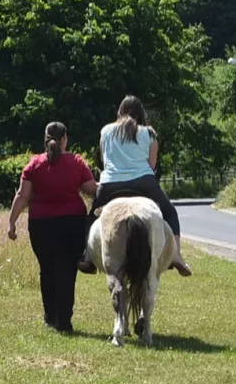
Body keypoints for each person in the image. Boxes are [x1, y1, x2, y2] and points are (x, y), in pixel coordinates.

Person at [81, 95, 192, 276]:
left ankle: (87, 257)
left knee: (91, 217)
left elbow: (104, 159)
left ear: (120, 112)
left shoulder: (106, 131)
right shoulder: (149, 133)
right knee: (170, 212)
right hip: (143, 181)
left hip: (111, 183)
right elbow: (152, 165)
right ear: (140, 113)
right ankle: (176, 256)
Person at [8, 121, 97, 333]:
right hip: (72, 223)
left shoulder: (34, 164)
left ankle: (50, 317)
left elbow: (22, 196)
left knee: (47, 269)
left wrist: (11, 223)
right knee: (67, 270)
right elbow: (91, 189)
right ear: (65, 138)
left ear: (45, 138)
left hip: (40, 224)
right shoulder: (76, 162)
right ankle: (64, 321)